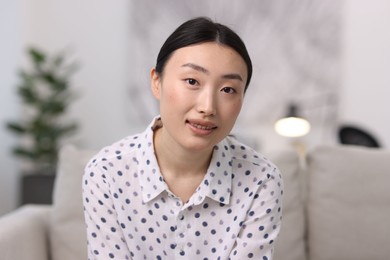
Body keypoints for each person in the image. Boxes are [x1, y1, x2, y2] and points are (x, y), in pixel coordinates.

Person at [82, 17, 283, 260]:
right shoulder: (106, 173)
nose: (208, 107)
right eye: (192, 81)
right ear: (157, 81)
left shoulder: (261, 179)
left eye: (228, 89)